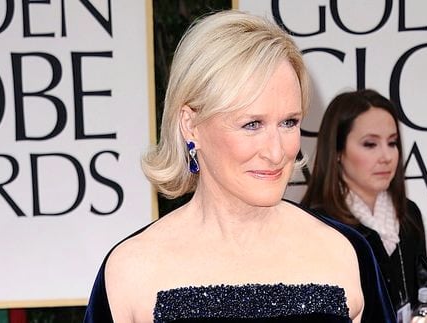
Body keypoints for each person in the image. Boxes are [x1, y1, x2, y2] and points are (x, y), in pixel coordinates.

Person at [84, 11, 395, 323]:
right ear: (191, 125)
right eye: (252, 124)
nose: (276, 152)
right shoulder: (131, 270)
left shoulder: (346, 252)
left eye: (289, 122)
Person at [301, 89, 427, 322]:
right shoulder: (319, 226)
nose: (386, 156)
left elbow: (425, 294)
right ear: (338, 152)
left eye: (392, 143)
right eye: (370, 144)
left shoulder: (408, 215)